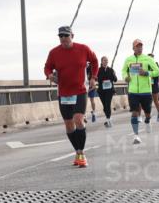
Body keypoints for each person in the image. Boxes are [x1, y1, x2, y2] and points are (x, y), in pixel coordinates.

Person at [44, 26, 98, 167]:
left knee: (78, 119)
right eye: (60, 36)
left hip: (80, 91)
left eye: (66, 35)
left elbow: (94, 61)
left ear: (72, 36)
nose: (63, 38)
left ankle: (81, 153)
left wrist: (93, 77)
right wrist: (49, 75)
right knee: (69, 125)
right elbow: (47, 67)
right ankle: (78, 152)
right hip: (63, 93)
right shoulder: (54, 52)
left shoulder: (83, 49)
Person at [122, 39, 159, 144]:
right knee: (134, 113)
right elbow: (124, 71)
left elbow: (157, 72)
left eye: (141, 46)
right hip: (133, 91)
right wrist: (125, 77)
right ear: (133, 48)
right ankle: (136, 136)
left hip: (146, 91)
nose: (139, 48)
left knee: (147, 113)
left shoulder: (148, 59)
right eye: (137, 46)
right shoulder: (128, 59)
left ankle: (147, 120)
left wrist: (147, 73)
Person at [96, 56, 118, 127]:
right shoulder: (98, 70)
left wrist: (114, 74)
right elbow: (97, 79)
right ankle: (108, 118)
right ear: (101, 62)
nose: (106, 62)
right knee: (105, 106)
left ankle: (108, 120)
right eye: (104, 60)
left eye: (107, 60)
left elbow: (115, 80)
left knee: (107, 104)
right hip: (101, 91)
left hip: (109, 90)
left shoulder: (111, 70)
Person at [151, 57, 159, 122]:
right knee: (147, 101)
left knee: (155, 101)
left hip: (154, 86)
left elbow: (158, 74)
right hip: (146, 86)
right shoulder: (146, 65)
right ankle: (148, 113)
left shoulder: (155, 65)